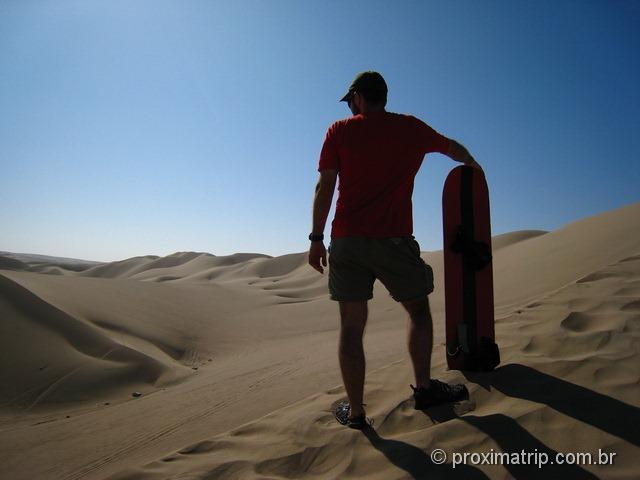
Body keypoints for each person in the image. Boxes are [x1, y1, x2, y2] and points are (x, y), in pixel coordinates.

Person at [308, 71, 482, 429]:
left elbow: (324, 188)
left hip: (347, 241)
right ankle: (423, 388)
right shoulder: (412, 129)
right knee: (418, 311)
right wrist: (473, 168)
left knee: (352, 327)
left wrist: (315, 238)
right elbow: (454, 148)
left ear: (357, 97)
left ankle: (356, 413)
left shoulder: (338, 131)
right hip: (394, 241)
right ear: (383, 96)